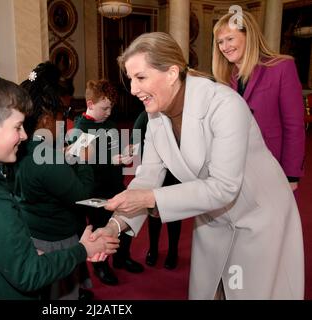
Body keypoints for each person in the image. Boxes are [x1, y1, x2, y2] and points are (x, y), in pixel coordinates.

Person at [94, 32, 304, 299]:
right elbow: (146, 181)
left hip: (259, 216)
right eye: (131, 79)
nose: (133, 89)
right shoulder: (155, 118)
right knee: (210, 291)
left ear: (171, 73)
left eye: (141, 77)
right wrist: (113, 228)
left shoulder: (224, 104)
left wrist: (147, 198)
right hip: (213, 219)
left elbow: (225, 186)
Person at [0, 72, 119, 300]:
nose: (25, 135)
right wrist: (83, 250)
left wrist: (33, 253)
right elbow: (28, 274)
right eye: (17, 127)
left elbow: (0, 253)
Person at [13, 62, 94, 300]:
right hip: (56, 240)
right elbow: (84, 195)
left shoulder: (22, 145)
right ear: (48, 118)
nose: (66, 120)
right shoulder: (46, 157)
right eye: (64, 114)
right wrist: (84, 159)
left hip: (33, 229)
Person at [212, 11, 305, 191]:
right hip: (233, 169)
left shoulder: (282, 67)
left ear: (249, 36)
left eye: (230, 39)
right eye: (220, 42)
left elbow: (294, 126)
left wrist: (291, 174)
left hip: (271, 166)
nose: (224, 47)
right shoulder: (223, 77)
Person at [69, 79, 144, 286]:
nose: (109, 112)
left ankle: (122, 258)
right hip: (94, 190)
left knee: (125, 220)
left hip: (115, 183)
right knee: (101, 227)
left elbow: (114, 153)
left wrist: (124, 155)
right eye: (105, 108)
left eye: (111, 107)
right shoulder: (80, 128)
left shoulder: (109, 124)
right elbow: (80, 165)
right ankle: (101, 267)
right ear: (90, 104)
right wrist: (110, 161)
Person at [133, 111, 181, 269]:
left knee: (174, 214)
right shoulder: (145, 116)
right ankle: (153, 249)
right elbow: (135, 140)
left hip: (175, 173)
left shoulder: (177, 113)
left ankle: (173, 251)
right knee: (154, 215)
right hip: (155, 172)